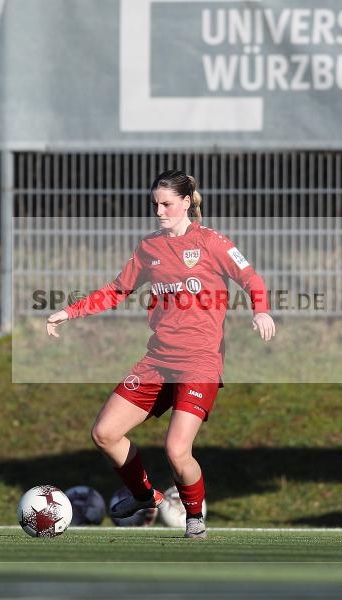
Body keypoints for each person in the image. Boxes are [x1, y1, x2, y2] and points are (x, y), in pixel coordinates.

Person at [46, 170, 275, 539]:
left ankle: (195, 516)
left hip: (200, 361)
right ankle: (144, 495)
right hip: (157, 361)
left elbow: (251, 278)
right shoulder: (149, 247)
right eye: (155, 204)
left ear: (186, 202)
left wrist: (260, 309)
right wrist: (69, 311)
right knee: (104, 433)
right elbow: (117, 290)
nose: (159, 211)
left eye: (167, 203)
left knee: (176, 449)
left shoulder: (212, 242)